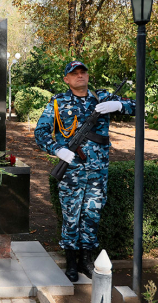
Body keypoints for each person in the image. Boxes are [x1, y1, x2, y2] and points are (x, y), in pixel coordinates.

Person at [34, 61, 135, 282]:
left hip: (98, 170)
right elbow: (40, 133)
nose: (80, 76)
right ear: (66, 79)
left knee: (92, 214)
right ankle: (71, 262)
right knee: (71, 215)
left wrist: (118, 106)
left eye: (83, 72)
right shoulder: (58, 102)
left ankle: (85, 261)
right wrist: (57, 149)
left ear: (88, 76)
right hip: (71, 171)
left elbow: (137, 106)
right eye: (74, 73)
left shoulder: (103, 97)